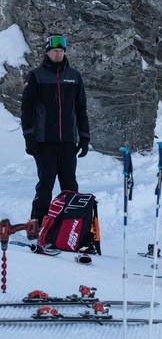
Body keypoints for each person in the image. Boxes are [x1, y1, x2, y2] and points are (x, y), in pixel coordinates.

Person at [20, 33, 90, 231]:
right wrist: (29, 137)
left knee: (70, 187)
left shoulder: (74, 77)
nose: (58, 54)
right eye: (54, 51)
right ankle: (37, 227)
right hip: (44, 142)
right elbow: (27, 109)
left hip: (68, 142)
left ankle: (69, 228)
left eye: (61, 51)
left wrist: (84, 137)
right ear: (47, 52)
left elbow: (81, 109)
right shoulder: (37, 76)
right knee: (45, 186)